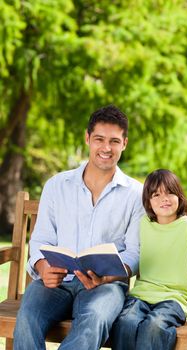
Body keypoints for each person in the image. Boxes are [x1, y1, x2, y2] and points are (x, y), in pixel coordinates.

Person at [13, 105, 144, 350]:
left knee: (92, 322)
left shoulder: (136, 194)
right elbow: (40, 239)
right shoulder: (57, 185)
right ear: (87, 139)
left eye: (114, 141)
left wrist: (109, 275)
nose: (106, 148)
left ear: (124, 143)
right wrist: (43, 268)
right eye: (99, 139)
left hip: (106, 286)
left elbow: (135, 252)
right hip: (56, 282)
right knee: (28, 318)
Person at [112, 169, 187, 350]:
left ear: (179, 196)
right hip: (142, 295)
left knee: (154, 326)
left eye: (170, 192)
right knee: (125, 322)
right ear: (148, 202)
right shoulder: (143, 224)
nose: (164, 199)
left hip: (176, 299)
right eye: (156, 195)